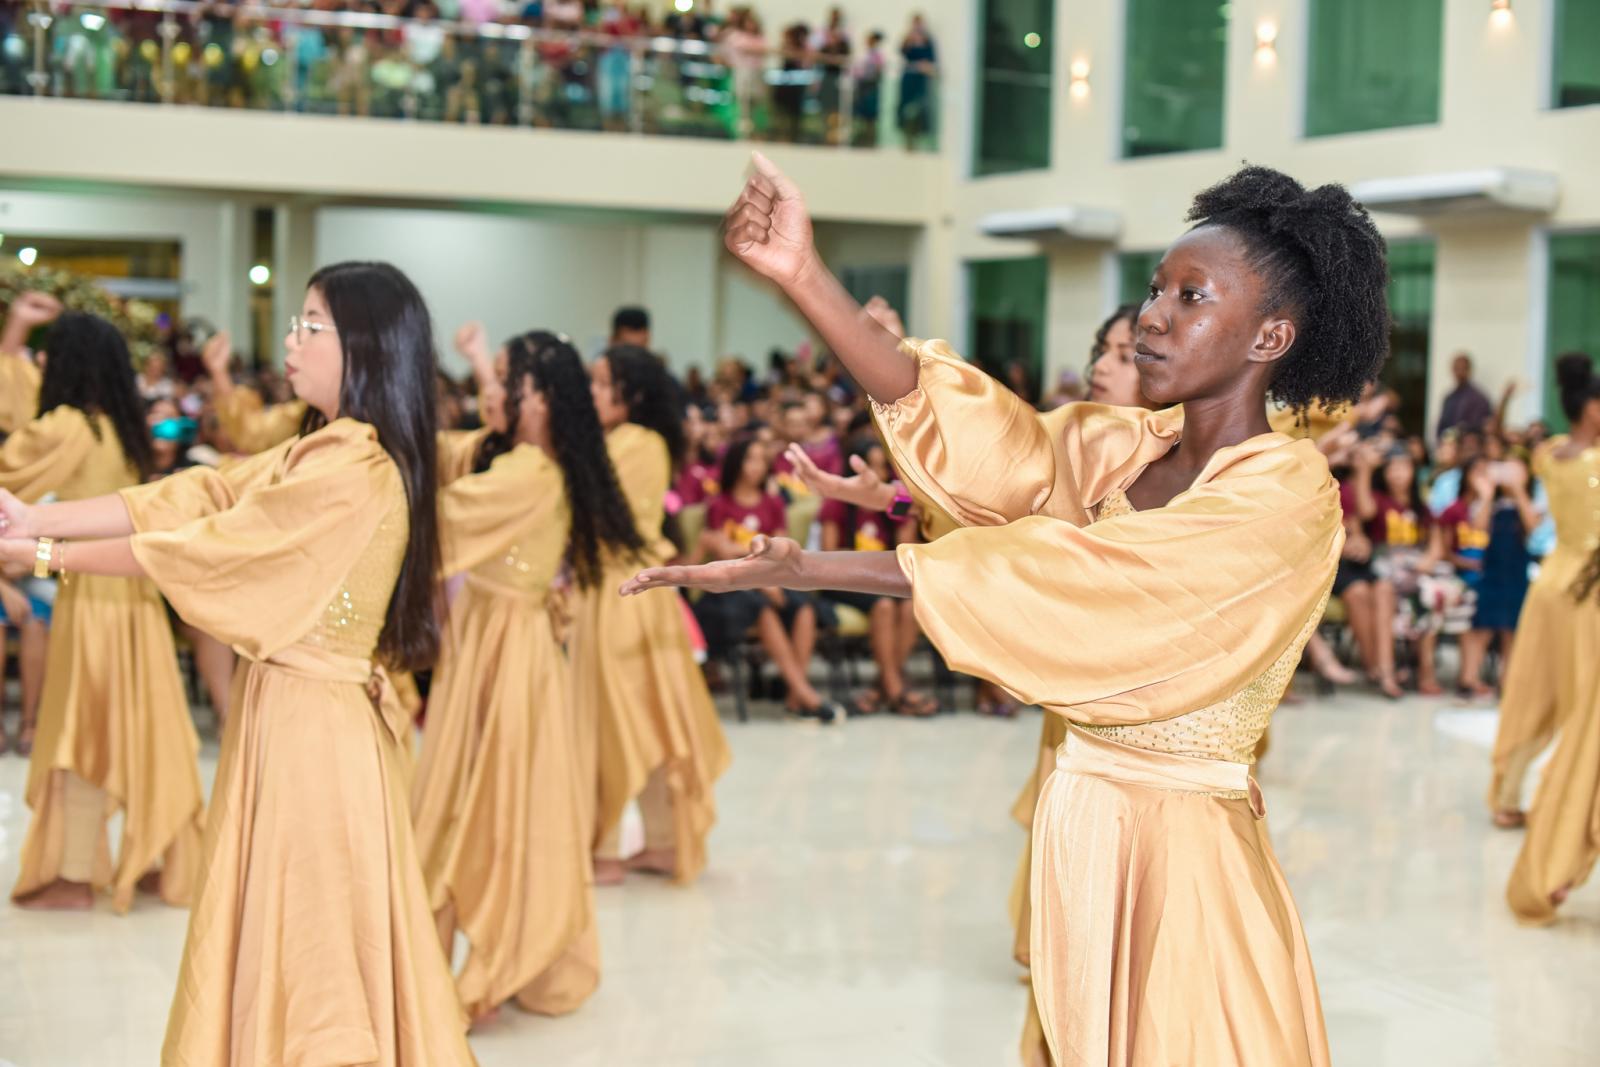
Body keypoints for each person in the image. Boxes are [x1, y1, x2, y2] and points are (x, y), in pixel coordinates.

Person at [625, 155, 1389, 1065]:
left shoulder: (1286, 495)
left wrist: (820, 566)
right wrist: (803, 274)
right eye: (1155, 289)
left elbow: (1088, 584)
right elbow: (988, 444)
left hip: (1182, 853)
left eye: (1191, 297)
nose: (1151, 315)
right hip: (1086, 823)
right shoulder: (1121, 448)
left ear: (1269, 338)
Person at [0, 263, 475, 1064]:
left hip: (315, 732)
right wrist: (36, 515)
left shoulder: (355, 468)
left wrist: (42, 549)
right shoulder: (325, 448)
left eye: (310, 325)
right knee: (284, 926)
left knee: (314, 944)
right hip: (291, 712)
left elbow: (208, 549)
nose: (291, 339)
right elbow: (198, 497)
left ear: (362, 345)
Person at [412, 330, 635, 1023]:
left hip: (503, 647)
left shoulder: (527, 473)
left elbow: (441, 521)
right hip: (506, 639)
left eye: (506, 380)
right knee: (498, 797)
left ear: (535, 398)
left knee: (483, 800)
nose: (492, 392)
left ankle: (491, 963)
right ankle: (499, 955)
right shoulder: (537, 462)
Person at [2, 312, 204, 914]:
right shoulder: (122, 428)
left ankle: (70, 874)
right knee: (145, 729)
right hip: (136, 600)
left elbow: (10, 472)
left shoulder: (68, 425)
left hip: (92, 601)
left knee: (79, 732)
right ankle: (162, 860)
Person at [575, 343, 732, 886]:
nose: (590, 394)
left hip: (625, 596)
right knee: (645, 717)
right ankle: (661, 843)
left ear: (631, 394)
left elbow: (589, 503)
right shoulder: (628, 440)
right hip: (625, 593)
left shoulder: (636, 443)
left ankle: (606, 850)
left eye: (599, 384)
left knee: (613, 719)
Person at [1503, 353, 1600, 923]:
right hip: (1589, 592)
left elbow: (1511, 441)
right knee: (1587, 718)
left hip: (1554, 585)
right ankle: (1558, 853)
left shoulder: (1549, 454)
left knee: (1551, 699)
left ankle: (1516, 799)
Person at [1451, 453, 1539, 699]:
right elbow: (1477, 527)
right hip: (1490, 571)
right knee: (1483, 625)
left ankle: (1507, 681)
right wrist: (1487, 495)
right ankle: (1468, 679)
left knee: (1512, 629)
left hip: (1517, 572)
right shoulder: (1491, 503)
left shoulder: (1530, 502)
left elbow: (1533, 527)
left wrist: (1519, 492)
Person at [896, 15, 937, 149]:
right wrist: (909, 39)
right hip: (908, 78)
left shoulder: (927, 40)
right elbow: (902, 52)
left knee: (920, 106)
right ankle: (906, 137)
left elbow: (931, 58)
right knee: (905, 106)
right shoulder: (908, 39)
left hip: (921, 78)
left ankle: (917, 135)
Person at [1436, 351, 1494, 441]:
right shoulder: (1449, 398)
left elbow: (1482, 427)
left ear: (1469, 370)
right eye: (1456, 368)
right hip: (1450, 447)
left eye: (1463, 368)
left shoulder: (1479, 399)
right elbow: (1442, 428)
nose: (1459, 372)